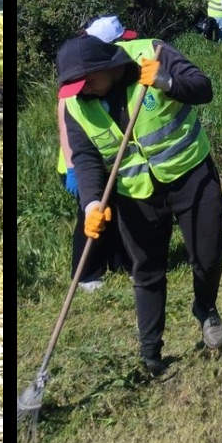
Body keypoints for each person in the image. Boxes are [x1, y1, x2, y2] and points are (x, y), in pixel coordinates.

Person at [59, 30, 222, 377]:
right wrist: (91, 204)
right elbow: (87, 158)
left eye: (87, 83)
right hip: (136, 193)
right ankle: (151, 355)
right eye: (75, 88)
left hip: (190, 173)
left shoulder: (152, 52)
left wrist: (167, 81)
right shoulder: (77, 104)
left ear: (105, 66)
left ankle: (205, 307)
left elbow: (203, 88)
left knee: (207, 257)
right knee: (146, 271)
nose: (83, 92)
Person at [58, 15, 136, 293]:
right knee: (90, 216)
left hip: (105, 159)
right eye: (119, 42)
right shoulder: (79, 76)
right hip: (78, 162)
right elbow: (67, 131)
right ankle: (86, 274)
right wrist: (70, 168)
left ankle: (122, 263)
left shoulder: (107, 78)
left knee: (114, 211)